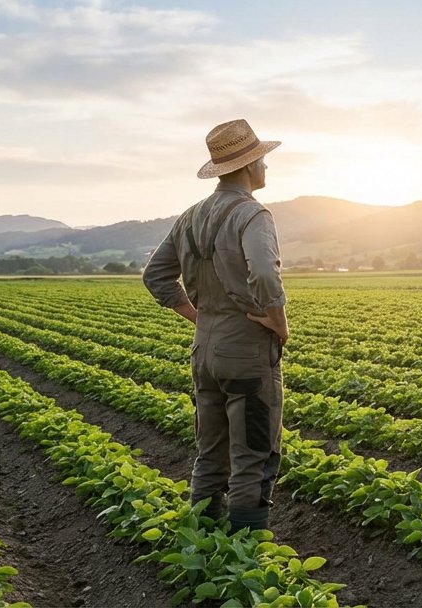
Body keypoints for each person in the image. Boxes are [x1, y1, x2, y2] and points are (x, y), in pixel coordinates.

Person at [142, 118, 288, 533]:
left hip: (204, 349)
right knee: (254, 453)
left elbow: (154, 275)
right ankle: (247, 555)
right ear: (248, 166)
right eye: (262, 160)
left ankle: (202, 545)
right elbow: (263, 270)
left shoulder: (191, 216)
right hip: (245, 349)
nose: (266, 168)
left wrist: (198, 315)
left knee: (210, 452)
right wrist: (277, 320)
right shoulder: (251, 213)